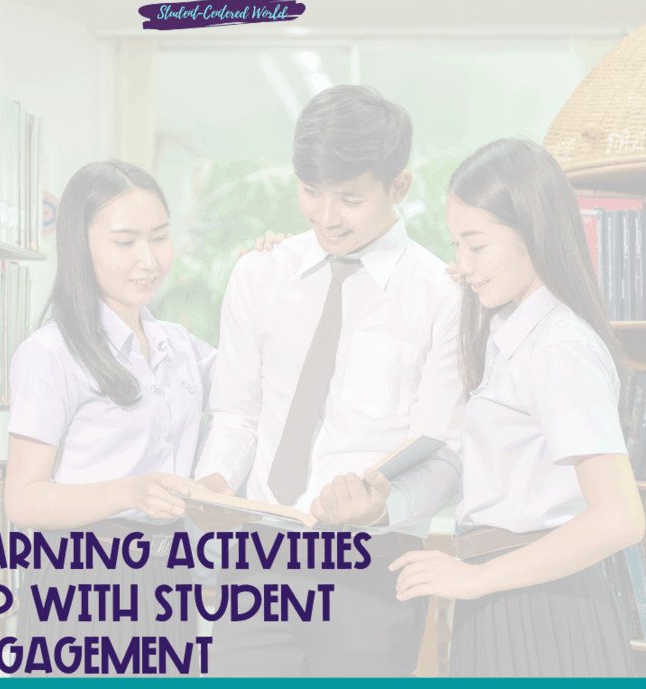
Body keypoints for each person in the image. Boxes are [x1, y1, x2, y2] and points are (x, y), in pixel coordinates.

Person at [192, 85, 466, 676]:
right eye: (311, 192)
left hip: (372, 563)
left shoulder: (443, 295)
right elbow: (236, 415)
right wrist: (213, 482)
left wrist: (380, 509)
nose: (325, 216)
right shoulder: (259, 274)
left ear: (399, 187)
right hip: (258, 558)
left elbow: (446, 454)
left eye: (348, 197)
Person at [388, 138, 645, 677]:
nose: (463, 265)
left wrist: (476, 578)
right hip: (507, 593)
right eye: (456, 246)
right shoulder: (512, 335)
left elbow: (620, 517)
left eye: (475, 246)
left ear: (532, 232)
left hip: (542, 606)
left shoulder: (559, 347)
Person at [3, 159, 214, 668]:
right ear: (81, 244)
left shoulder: (179, 346)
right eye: (125, 242)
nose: (149, 260)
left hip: (168, 575)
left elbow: (259, 384)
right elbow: (23, 501)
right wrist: (132, 490)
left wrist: (269, 272)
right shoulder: (50, 353)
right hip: (85, 582)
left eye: (160, 238)